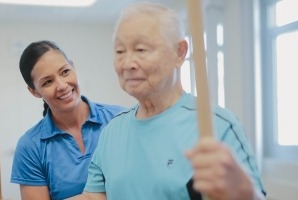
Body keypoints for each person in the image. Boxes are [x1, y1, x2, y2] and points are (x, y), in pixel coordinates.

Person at [68, 2, 266, 200]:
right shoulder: (112, 131)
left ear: (179, 52)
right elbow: (94, 197)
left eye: (141, 49)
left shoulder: (217, 125)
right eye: (120, 51)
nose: (127, 64)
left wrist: (244, 192)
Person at [8, 40, 125, 200]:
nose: (62, 85)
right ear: (34, 91)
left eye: (65, 72)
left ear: (73, 67)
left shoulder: (120, 120)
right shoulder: (30, 147)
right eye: (48, 82)